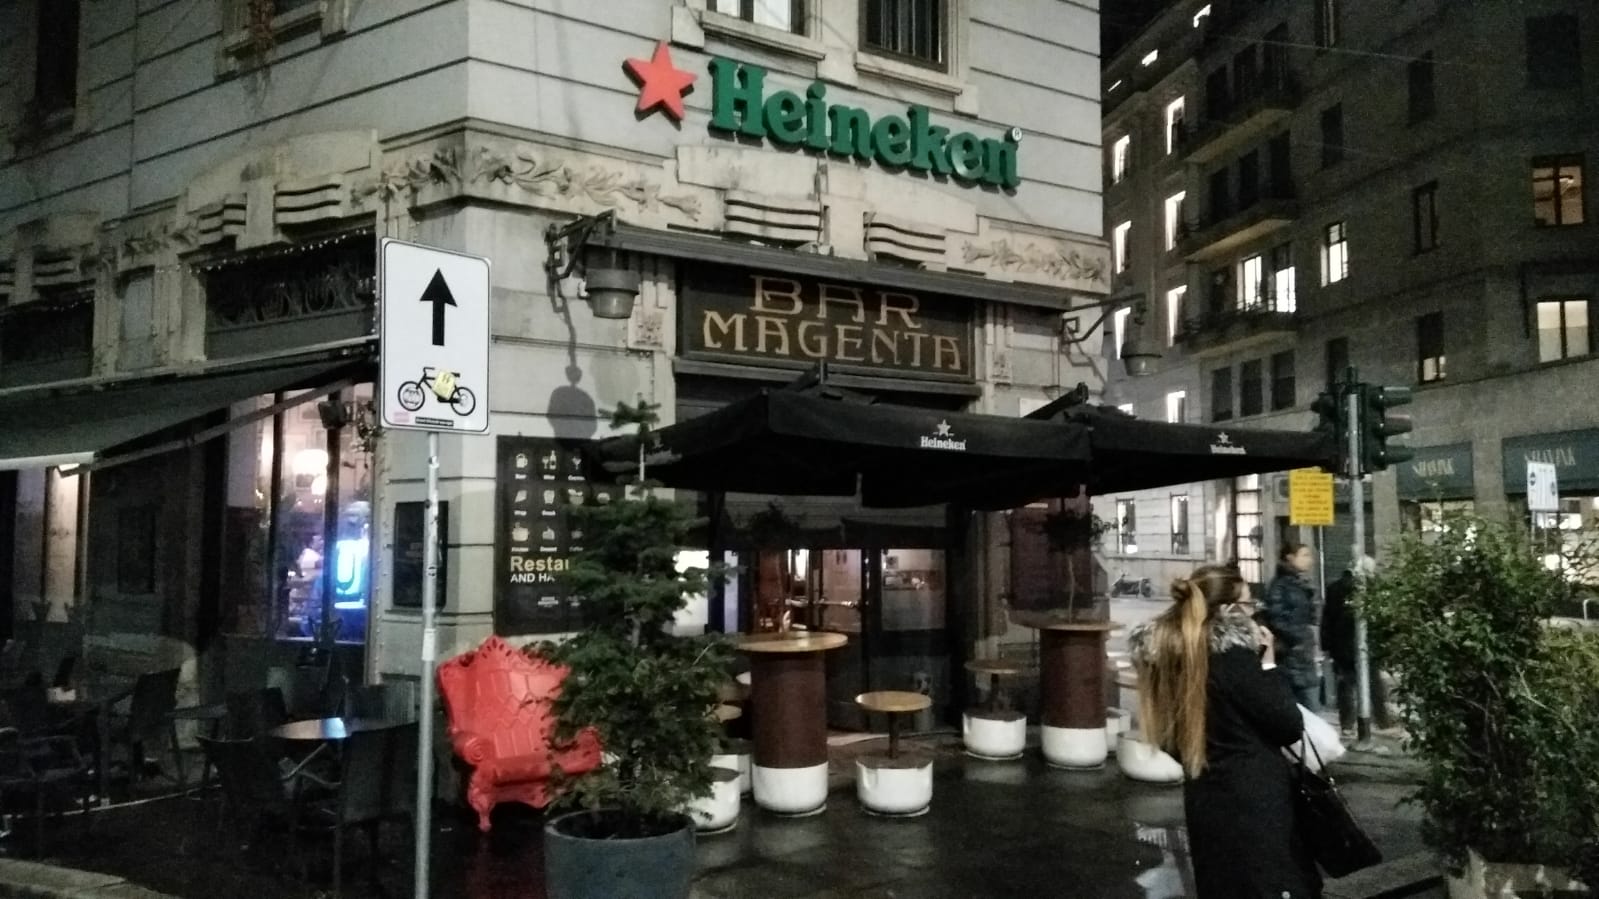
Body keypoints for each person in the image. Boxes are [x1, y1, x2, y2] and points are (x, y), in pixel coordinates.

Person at [1129, 565, 1322, 899]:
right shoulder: (1232, 657)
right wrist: (1268, 664)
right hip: (1257, 804)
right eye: (1248, 604)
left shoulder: (1167, 655)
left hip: (1204, 801)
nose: (1253, 612)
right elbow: (1288, 724)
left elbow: (1167, 735)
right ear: (1228, 609)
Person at [1322, 564, 1394, 735]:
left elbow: (1327, 619)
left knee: (1346, 686)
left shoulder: (1334, 588)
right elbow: (1381, 620)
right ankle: (1382, 721)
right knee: (1373, 684)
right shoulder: (1370, 588)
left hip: (1342, 646)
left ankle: (1347, 724)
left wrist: (1327, 645)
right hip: (1366, 645)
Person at [1265, 542, 1321, 709]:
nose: (1310, 560)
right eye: (1304, 555)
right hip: (1291, 654)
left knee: (1309, 703)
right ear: (1290, 558)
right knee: (1306, 704)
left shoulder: (1301, 584)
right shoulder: (1280, 586)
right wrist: (1299, 637)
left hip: (1303, 653)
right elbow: (1276, 618)